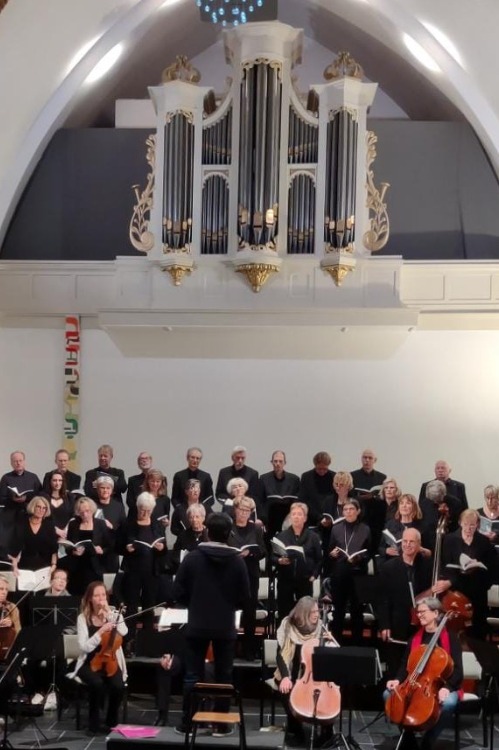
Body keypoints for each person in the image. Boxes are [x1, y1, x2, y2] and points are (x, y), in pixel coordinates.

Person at [173, 513, 250, 736]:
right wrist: (228, 607)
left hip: (197, 623)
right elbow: (245, 597)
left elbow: (177, 592)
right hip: (225, 625)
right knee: (224, 676)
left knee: (192, 675)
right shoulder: (237, 561)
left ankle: (189, 723)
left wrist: (194, 603)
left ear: (207, 531)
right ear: (228, 534)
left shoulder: (192, 558)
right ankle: (220, 725)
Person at [385, 597, 463, 750]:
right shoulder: (415, 638)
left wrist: (446, 688)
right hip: (415, 683)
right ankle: (409, 739)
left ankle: (429, 740)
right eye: (418, 612)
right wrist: (397, 680)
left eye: (422, 612)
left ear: (435, 613)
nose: (419, 615)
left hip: (443, 685)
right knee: (389, 695)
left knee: (448, 703)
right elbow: (405, 666)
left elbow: (458, 671)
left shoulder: (451, 638)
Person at [274, 596, 335, 748]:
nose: (317, 614)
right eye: (313, 612)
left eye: (317, 611)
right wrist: (285, 677)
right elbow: (280, 654)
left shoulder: (321, 626)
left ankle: (327, 731)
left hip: (315, 672)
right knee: (285, 690)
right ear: (303, 613)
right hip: (292, 671)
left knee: (328, 692)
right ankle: (296, 730)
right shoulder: (288, 625)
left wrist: (330, 641)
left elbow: (331, 654)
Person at [70, 581, 127, 734]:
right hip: (89, 661)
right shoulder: (83, 618)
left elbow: (124, 632)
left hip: (110, 660)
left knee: (118, 686)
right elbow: (84, 647)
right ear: (90, 598)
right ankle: (93, 724)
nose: (101, 598)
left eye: (103, 595)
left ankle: (111, 722)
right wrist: (100, 631)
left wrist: (110, 615)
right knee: (96, 684)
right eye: (97, 595)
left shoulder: (114, 614)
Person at [437, 508, 496, 638]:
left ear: (477, 524)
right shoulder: (450, 540)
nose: (469, 528)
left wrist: (478, 565)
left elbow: (492, 568)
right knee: (454, 630)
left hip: (477, 591)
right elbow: (444, 565)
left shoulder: (483, 542)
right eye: (466, 524)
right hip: (456, 591)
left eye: (472, 525)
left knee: (477, 631)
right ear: (460, 523)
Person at [121, 492, 167, 646]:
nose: (145, 513)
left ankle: (148, 643)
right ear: (137, 508)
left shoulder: (157, 525)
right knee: (131, 607)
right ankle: (129, 642)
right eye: (142, 510)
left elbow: (164, 550)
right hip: (133, 572)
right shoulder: (128, 524)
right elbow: (118, 546)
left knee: (149, 606)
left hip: (151, 572)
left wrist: (161, 548)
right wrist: (127, 548)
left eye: (148, 511)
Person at [324, 499, 370, 644]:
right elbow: (330, 550)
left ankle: (357, 645)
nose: (348, 512)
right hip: (339, 574)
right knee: (338, 611)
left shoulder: (365, 529)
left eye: (351, 509)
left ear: (358, 511)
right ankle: (336, 642)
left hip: (358, 573)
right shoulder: (336, 528)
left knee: (357, 611)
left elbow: (368, 552)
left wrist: (358, 558)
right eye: (346, 509)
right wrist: (332, 554)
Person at [378, 528, 433, 644]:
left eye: (411, 541)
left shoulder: (427, 566)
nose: (407, 545)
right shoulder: (388, 567)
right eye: (405, 541)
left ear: (419, 544)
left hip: (420, 622)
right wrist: (385, 625)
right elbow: (382, 599)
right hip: (397, 622)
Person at [229, 495, 266, 660]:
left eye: (247, 510)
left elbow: (263, 551)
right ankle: (229, 649)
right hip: (231, 575)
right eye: (241, 510)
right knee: (230, 613)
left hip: (250, 574)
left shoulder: (256, 529)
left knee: (250, 613)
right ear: (235, 510)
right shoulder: (228, 527)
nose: (244, 513)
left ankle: (249, 651)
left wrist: (250, 552)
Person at [273, 502, 322, 623]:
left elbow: (319, 559)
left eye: (299, 514)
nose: (296, 517)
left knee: (305, 614)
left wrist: (314, 575)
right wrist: (279, 560)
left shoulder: (313, 537)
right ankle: (284, 635)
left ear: (305, 518)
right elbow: (272, 557)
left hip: (305, 580)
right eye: (293, 514)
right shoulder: (281, 536)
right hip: (285, 579)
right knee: (284, 613)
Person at [65, 497, 110, 595]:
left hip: (95, 566)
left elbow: (109, 545)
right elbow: (68, 547)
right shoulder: (73, 524)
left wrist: (102, 550)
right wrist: (73, 551)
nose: (85, 515)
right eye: (81, 512)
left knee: (93, 594)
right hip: (77, 567)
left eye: (87, 511)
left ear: (92, 510)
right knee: (76, 595)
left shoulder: (100, 524)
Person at [9, 496, 58, 581]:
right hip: (24, 565)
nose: (41, 510)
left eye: (44, 508)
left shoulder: (49, 525)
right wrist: (14, 565)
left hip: (44, 566)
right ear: (33, 507)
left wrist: (54, 565)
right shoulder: (22, 523)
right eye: (38, 507)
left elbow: (54, 548)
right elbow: (14, 546)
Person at [260, 451, 301, 539]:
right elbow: (260, 500)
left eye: (280, 461)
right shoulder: (264, 478)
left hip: (288, 516)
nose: (278, 464)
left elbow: (298, 500)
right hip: (270, 517)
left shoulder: (294, 479)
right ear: (271, 462)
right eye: (275, 461)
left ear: (285, 463)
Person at [377, 493, 427, 564]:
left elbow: (429, 552)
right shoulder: (390, 524)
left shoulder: (421, 526)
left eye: (408, 503)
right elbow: (380, 548)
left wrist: (421, 549)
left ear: (414, 507)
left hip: (414, 563)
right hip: (392, 562)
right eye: (401, 503)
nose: (404, 506)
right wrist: (386, 551)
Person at [94, 475, 126, 574]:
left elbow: (123, 528)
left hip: (111, 550)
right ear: (97, 489)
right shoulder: (91, 505)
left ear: (112, 490)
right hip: (95, 548)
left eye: (108, 488)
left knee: (111, 579)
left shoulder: (118, 506)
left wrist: (112, 527)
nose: (105, 490)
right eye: (102, 488)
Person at [0, 451, 42, 526]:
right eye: (15, 461)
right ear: (11, 463)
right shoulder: (6, 478)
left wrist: (26, 497)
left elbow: (41, 495)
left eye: (20, 460)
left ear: (24, 462)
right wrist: (13, 499)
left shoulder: (33, 477)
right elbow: (1, 499)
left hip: (30, 515)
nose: (18, 463)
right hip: (12, 516)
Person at [298, 452, 336, 527]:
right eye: (319, 469)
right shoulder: (306, 477)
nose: (322, 471)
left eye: (325, 469)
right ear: (315, 465)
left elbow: (335, 499)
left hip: (329, 518)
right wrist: (318, 517)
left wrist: (328, 517)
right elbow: (303, 500)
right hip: (311, 517)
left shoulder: (334, 476)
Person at [41, 470, 74, 540]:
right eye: (54, 480)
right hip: (47, 532)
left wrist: (65, 531)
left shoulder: (69, 496)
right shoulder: (43, 496)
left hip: (66, 535)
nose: (57, 483)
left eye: (60, 480)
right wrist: (56, 529)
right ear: (50, 482)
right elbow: (41, 516)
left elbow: (73, 516)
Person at [126, 452, 153, 518]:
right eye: (141, 459)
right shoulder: (132, 480)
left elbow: (163, 500)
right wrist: (142, 511)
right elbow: (129, 501)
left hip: (154, 516)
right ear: (138, 463)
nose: (144, 460)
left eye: (146, 458)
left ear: (151, 461)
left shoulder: (160, 479)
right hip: (136, 516)